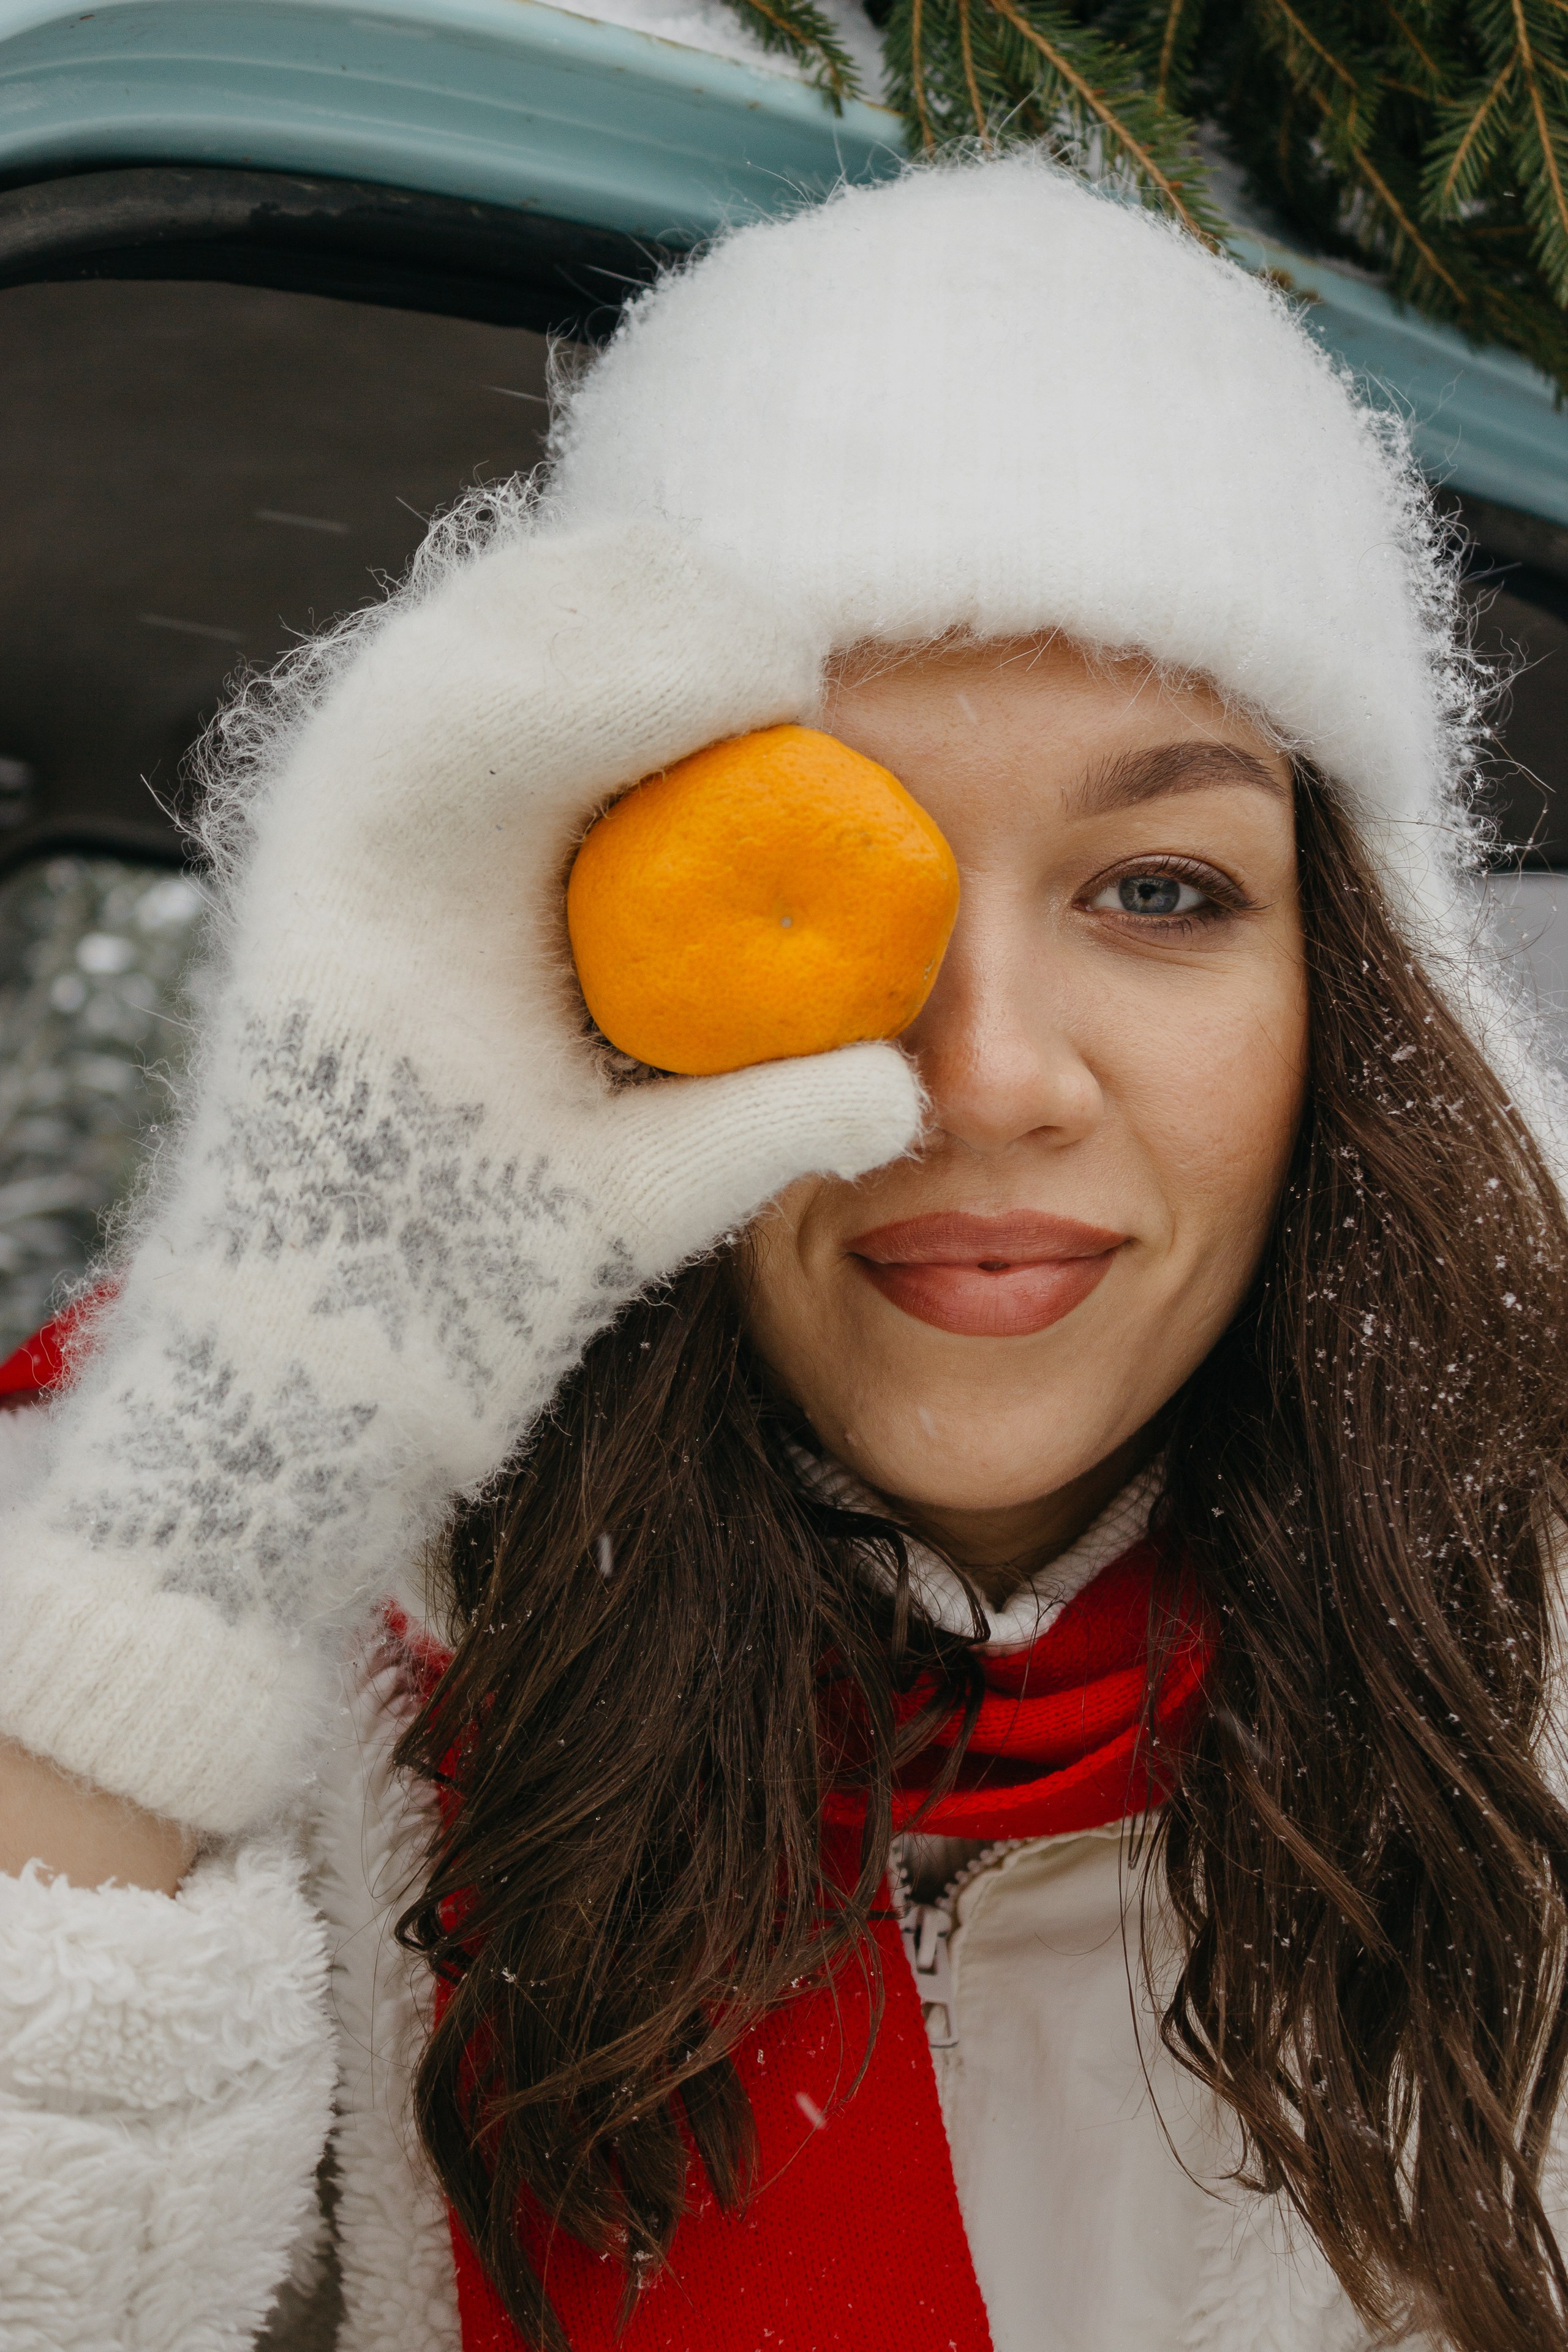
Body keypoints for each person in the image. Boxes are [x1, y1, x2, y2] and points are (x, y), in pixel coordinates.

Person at [2, 151, 1567, 2352]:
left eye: (1161, 891)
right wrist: (220, 1504)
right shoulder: (264, 1654)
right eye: (851, 888)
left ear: (1355, 992)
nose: (992, 1076)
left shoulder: (1534, 1676)